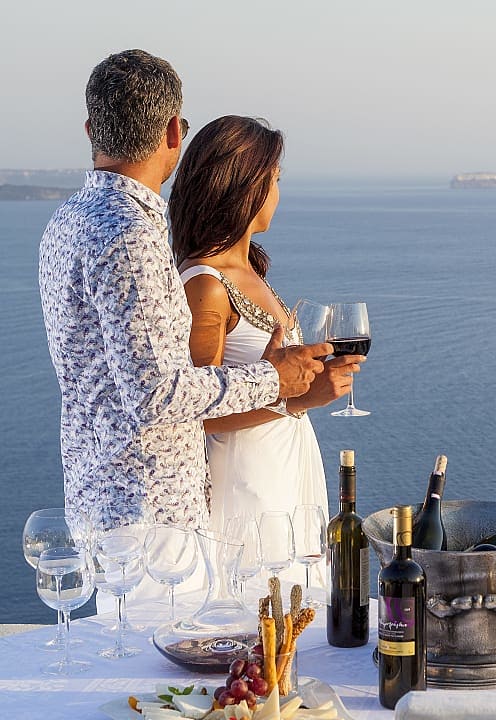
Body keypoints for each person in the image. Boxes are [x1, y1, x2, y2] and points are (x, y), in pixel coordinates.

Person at [38, 50, 332, 540]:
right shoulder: (130, 234)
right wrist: (277, 380)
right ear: (175, 132)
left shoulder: (67, 222)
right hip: (153, 512)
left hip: (100, 501)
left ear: (92, 131)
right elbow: (158, 393)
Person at [168, 115, 362, 592]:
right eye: (274, 180)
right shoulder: (206, 286)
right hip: (246, 474)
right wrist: (296, 401)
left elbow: (274, 372)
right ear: (244, 188)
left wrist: (309, 380)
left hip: (283, 457)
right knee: (261, 599)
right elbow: (197, 415)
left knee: (297, 594)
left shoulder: (248, 268)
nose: (278, 193)